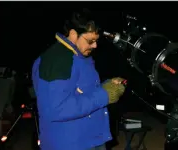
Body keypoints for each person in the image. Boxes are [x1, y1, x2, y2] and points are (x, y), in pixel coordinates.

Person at [32, 8, 126, 150]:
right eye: (90, 40)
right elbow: (56, 108)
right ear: (73, 34)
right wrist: (104, 95)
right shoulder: (56, 60)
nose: (95, 45)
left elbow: (80, 91)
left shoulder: (79, 55)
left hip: (89, 139)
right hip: (70, 144)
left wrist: (106, 86)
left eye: (96, 40)